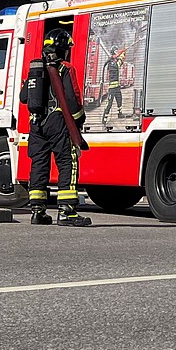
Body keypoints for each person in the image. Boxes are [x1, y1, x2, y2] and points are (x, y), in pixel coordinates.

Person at [19, 26, 91, 226]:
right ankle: (67, 211)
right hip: (57, 121)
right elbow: (72, 99)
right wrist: (78, 120)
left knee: (39, 164)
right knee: (68, 161)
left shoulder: (36, 68)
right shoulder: (65, 68)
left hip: (36, 123)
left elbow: (24, 97)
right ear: (62, 49)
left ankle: (37, 211)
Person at [101, 48, 125, 124]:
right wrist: (122, 56)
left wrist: (122, 55)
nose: (117, 53)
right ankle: (104, 119)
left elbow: (119, 63)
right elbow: (118, 65)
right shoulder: (111, 63)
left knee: (119, 100)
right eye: (116, 52)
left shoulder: (114, 61)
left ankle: (120, 114)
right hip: (112, 88)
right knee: (109, 104)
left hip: (117, 87)